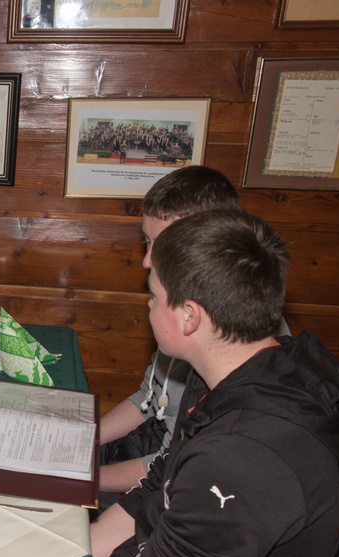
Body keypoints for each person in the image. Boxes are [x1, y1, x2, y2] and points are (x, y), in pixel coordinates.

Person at [90, 209, 339, 557]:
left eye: (154, 295)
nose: (148, 304)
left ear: (189, 317)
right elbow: (153, 491)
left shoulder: (246, 456)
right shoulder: (240, 372)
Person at [97, 165, 243, 504]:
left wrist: (86, 478)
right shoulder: (174, 311)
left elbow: (171, 466)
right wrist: (85, 439)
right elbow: (148, 398)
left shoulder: (234, 338)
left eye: (161, 246)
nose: (147, 261)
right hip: (153, 453)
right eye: (147, 242)